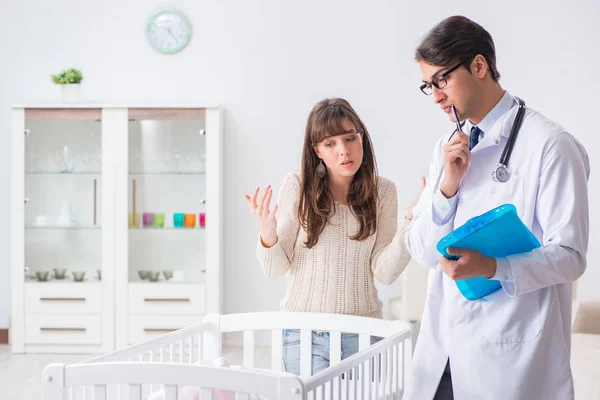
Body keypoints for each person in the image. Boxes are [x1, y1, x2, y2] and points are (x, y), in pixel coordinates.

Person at [404, 16, 590, 400]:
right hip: (442, 354)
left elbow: (571, 256)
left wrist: (492, 267)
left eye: (442, 80)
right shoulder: (446, 149)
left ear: (478, 65)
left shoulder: (551, 146)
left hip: (510, 360)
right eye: (428, 86)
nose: (436, 95)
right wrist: (447, 188)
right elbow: (422, 251)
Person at [244, 97, 424, 375]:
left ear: (361, 137)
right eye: (330, 144)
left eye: (350, 138)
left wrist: (411, 221)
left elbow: (385, 273)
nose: (344, 151)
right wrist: (268, 235)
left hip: (363, 334)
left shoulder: (383, 192)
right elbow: (274, 269)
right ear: (316, 150)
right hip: (303, 334)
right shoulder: (297, 186)